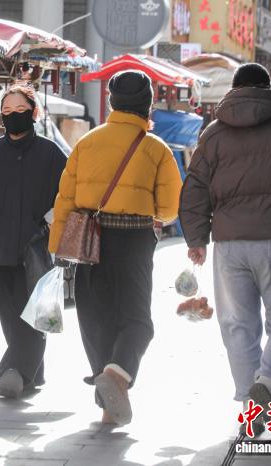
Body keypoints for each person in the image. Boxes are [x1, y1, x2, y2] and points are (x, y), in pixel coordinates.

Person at [179, 63, 271, 436]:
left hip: (229, 245)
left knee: (238, 326)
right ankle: (266, 381)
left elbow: (195, 187)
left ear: (233, 90)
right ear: (268, 90)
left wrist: (197, 238)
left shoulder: (213, 134)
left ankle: (252, 408)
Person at [49, 70, 182, 426]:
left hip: (89, 240)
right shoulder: (156, 148)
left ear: (112, 103)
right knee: (137, 320)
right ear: (147, 105)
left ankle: (108, 400)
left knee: (96, 319)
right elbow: (169, 209)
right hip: (135, 241)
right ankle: (118, 374)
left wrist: (59, 247)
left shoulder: (87, 142)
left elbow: (66, 199)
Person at [0, 85, 67, 399]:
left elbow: (68, 193)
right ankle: (32, 374)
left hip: (38, 248)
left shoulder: (51, 153)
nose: (12, 116)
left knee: (35, 313)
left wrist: (48, 222)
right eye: (6, 111)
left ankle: (14, 372)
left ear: (34, 112)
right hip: (0, 248)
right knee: (10, 315)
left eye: (19, 110)